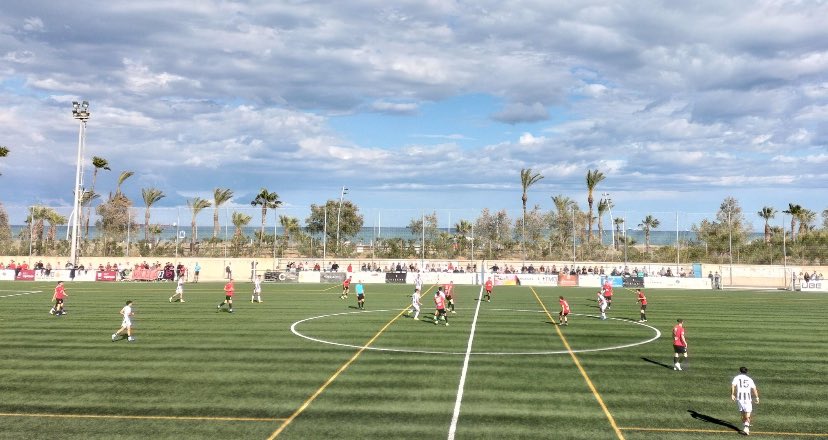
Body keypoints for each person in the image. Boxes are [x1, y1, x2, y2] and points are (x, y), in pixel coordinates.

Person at [731, 366, 759, 436]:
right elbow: (754, 389)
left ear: (740, 371)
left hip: (739, 398)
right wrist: (757, 397)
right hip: (747, 398)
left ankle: (745, 426)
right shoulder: (749, 379)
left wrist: (732, 394)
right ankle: (746, 427)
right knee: (748, 413)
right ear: (746, 372)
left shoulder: (736, 377)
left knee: (742, 413)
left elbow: (733, 385)